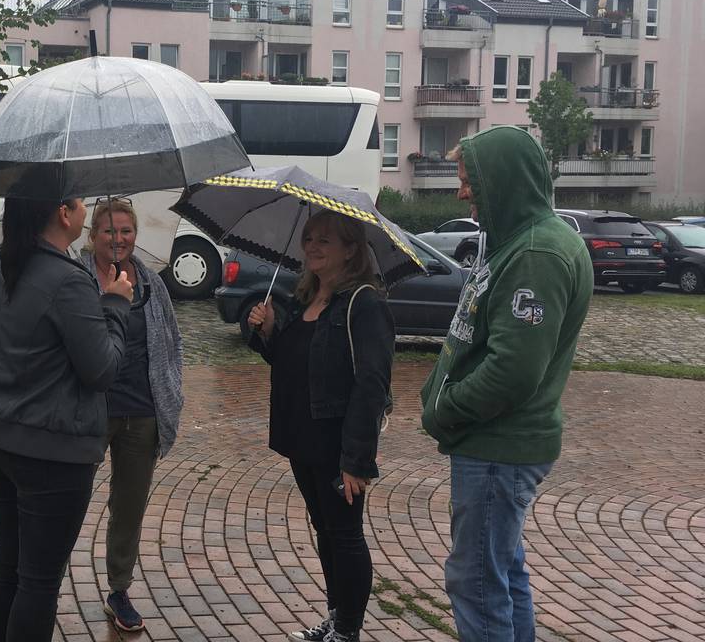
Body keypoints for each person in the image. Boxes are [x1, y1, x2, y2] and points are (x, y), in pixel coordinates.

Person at [420, 127, 592, 641]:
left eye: (470, 180)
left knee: (474, 582)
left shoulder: (537, 254)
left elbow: (513, 372)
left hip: (499, 447)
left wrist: (443, 407)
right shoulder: (516, 242)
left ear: (505, 180)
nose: (461, 192)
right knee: (503, 573)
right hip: (493, 446)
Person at [0, 194, 133, 642]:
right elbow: (101, 368)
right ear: (63, 212)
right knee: (39, 581)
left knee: (8, 564)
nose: (85, 212)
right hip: (53, 450)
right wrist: (116, 305)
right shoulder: (68, 280)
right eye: (81, 203)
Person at [247, 210, 395, 642]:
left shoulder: (364, 304)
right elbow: (295, 365)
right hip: (302, 438)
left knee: (345, 535)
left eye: (324, 240)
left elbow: (371, 385)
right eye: (309, 238)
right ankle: (336, 616)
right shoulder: (308, 300)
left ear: (351, 248)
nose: (312, 246)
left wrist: (356, 460)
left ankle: (348, 631)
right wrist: (271, 331)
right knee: (325, 530)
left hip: (336, 445)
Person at [78, 198, 184, 633]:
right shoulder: (78, 277)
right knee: (68, 498)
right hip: (91, 409)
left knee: (129, 505)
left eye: (126, 231)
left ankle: (118, 589)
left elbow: (171, 340)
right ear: (93, 235)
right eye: (109, 231)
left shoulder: (150, 282)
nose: (118, 239)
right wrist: (108, 300)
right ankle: (42, 581)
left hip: (141, 409)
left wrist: (170, 391)